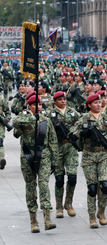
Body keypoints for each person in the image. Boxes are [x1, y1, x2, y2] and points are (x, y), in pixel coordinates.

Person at [69, 93, 107, 228]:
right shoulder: (84, 119)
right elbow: (72, 136)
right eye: (96, 103)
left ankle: (101, 211)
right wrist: (82, 133)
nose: (99, 104)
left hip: (104, 155)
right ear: (89, 105)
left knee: (105, 185)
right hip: (89, 156)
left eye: (100, 102)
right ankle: (92, 216)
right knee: (92, 188)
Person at [13, 94, 58, 233]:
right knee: (31, 186)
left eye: (39, 105)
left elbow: (53, 141)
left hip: (44, 155)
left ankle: (47, 218)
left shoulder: (46, 121)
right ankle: (33, 220)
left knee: (44, 185)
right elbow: (15, 128)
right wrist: (32, 119)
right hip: (28, 156)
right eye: (34, 105)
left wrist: (55, 161)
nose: (38, 107)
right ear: (29, 106)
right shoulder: (24, 119)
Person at [45, 91, 81, 218]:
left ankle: (69, 203)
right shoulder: (50, 113)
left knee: (72, 177)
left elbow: (81, 123)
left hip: (70, 147)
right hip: (57, 148)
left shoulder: (72, 112)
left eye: (64, 99)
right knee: (59, 179)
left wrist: (75, 133)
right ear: (55, 101)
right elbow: (44, 128)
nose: (63, 101)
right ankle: (59, 206)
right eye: (60, 99)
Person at [0, 92, 11, 170]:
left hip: (0, 124)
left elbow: (7, 111)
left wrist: (7, 119)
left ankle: (1, 159)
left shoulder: (1, 99)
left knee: (0, 141)